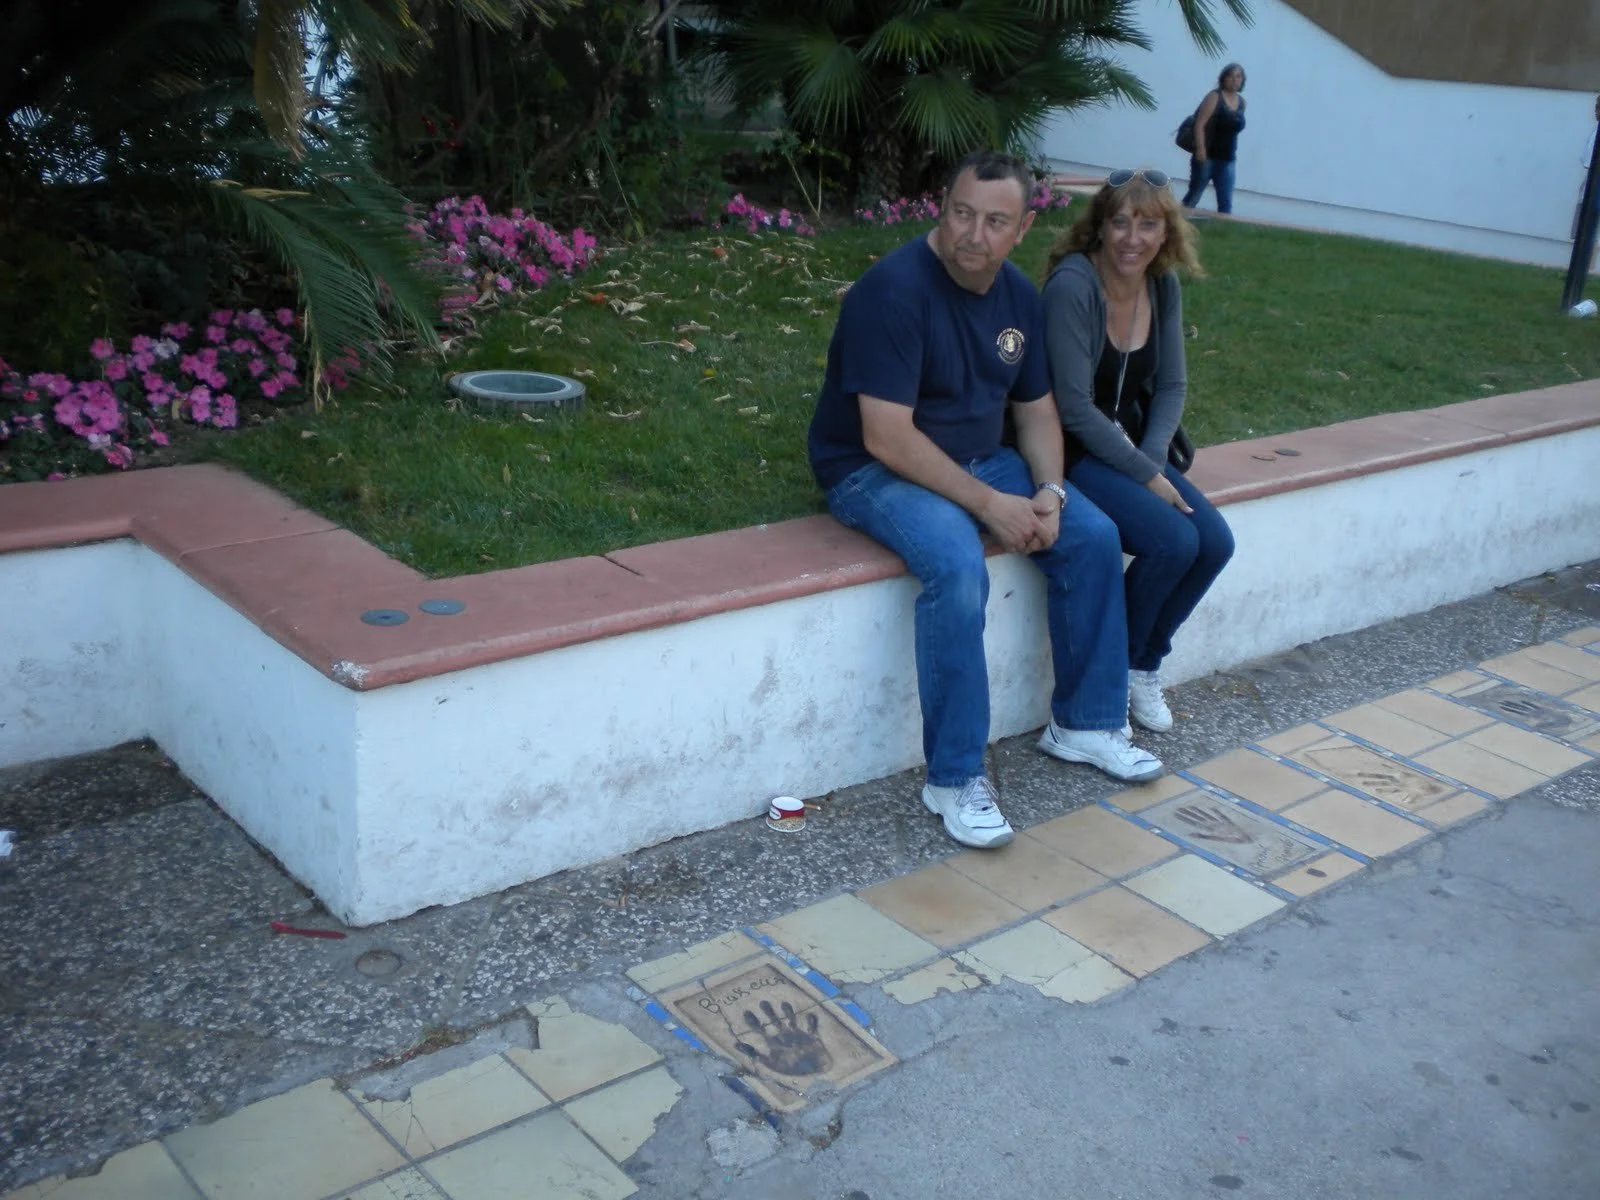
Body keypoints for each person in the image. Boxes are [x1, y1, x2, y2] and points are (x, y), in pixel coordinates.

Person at [808, 149, 1164, 852]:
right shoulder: (893, 291)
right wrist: (989, 505)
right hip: (872, 468)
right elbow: (885, 436)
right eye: (962, 213)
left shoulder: (1018, 298)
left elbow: (1036, 412)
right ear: (942, 207)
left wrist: (1049, 492)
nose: (973, 234)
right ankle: (954, 777)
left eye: (995, 222)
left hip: (977, 456)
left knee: (1091, 536)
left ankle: (1086, 724)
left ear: (1022, 228)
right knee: (956, 564)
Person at [1040, 168, 1235, 733]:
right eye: (1120, 222)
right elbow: (1073, 407)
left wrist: (1150, 461)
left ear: (1165, 232)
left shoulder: (1160, 283)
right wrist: (1147, 476)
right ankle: (1112, 669)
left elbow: (1172, 384)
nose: (1133, 238)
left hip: (1131, 445)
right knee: (1173, 541)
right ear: (1100, 226)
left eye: (1148, 225)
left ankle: (1142, 664)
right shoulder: (1073, 286)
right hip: (1071, 447)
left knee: (1214, 543)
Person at [1181, 63, 1247, 214]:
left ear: (1243, 80)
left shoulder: (1242, 103)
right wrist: (1200, 149)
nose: (1234, 80)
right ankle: (1178, 222)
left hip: (1228, 159)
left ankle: (1224, 227)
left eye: (1238, 76)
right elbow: (1199, 124)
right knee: (1194, 195)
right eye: (1230, 76)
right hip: (1207, 156)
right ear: (1223, 78)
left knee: (1226, 202)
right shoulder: (1215, 97)